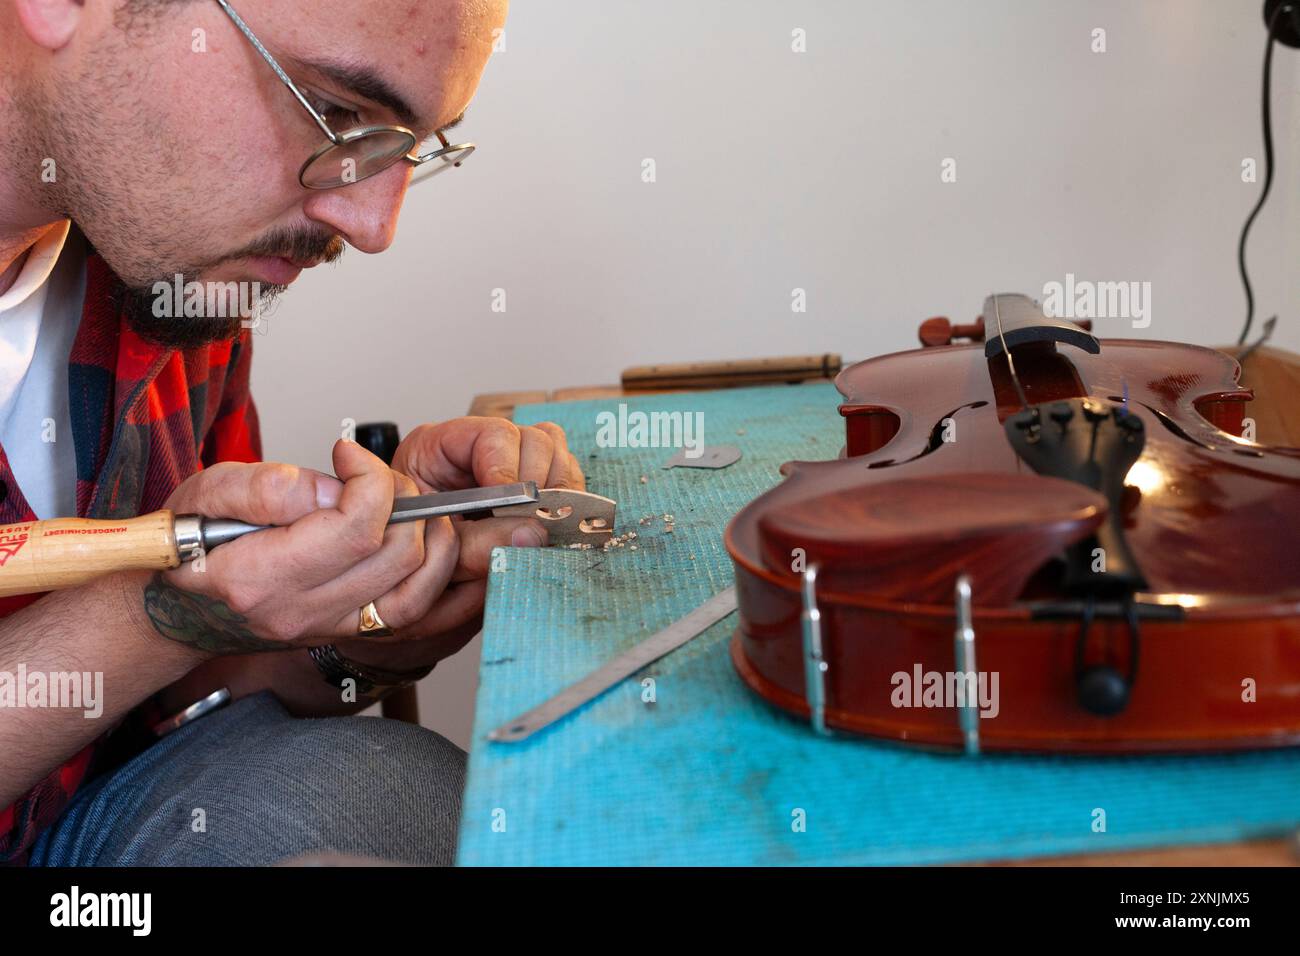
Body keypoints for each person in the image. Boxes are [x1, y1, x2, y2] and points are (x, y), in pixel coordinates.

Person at [0, 0, 570, 866]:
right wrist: (158, 617)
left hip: (78, 825)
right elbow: (163, 637)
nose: (372, 225)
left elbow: (168, 710)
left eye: (407, 145)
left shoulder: (177, 267)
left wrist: (355, 621)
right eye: (334, 111)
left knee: (391, 794)